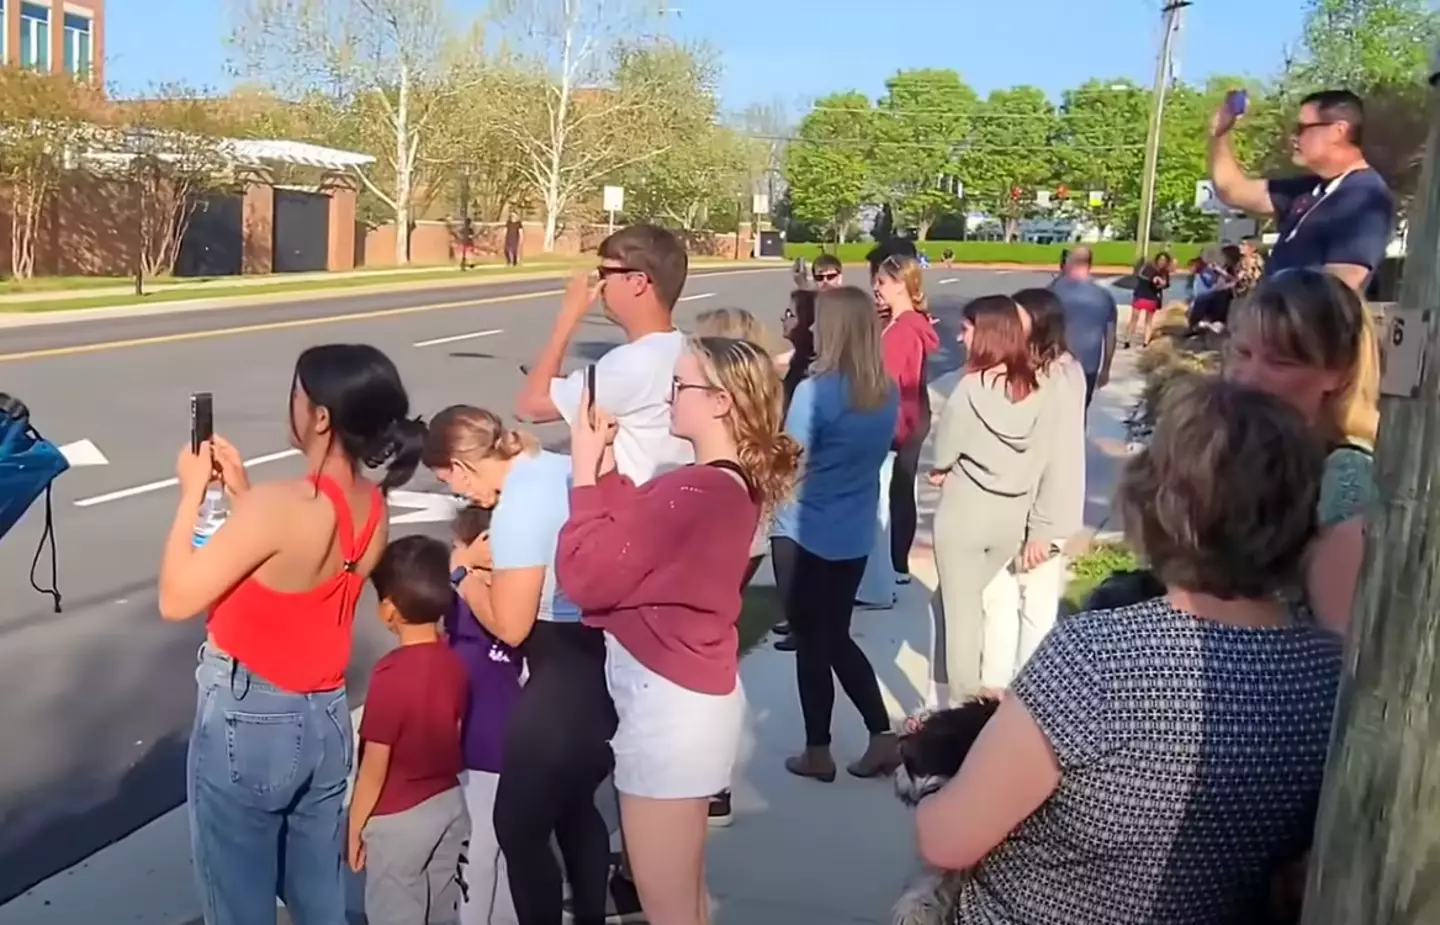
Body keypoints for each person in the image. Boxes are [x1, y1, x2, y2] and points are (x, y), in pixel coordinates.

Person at [913, 378, 1342, 925]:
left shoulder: (1098, 658)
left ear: (1157, 503)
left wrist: (937, 778)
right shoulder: (1329, 675)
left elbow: (948, 839)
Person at [158, 344, 423, 925]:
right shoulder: (372, 506)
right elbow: (296, 571)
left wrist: (188, 494)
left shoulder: (283, 507)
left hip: (251, 717)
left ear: (321, 416)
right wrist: (243, 495)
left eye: (297, 395)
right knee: (317, 899)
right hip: (323, 721)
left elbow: (176, 597)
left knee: (239, 901)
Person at [556, 336, 801, 925]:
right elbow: (635, 533)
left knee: (666, 906)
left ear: (720, 401)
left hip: (667, 714)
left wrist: (585, 470)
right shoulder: (718, 484)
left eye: (680, 386)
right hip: (687, 704)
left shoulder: (696, 489)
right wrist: (608, 468)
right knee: (685, 899)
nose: (670, 398)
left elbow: (585, 575)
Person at [422, 407, 620, 925]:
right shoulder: (553, 467)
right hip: (598, 652)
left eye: (452, 483)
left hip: (558, 663)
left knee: (518, 825)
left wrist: (463, 574)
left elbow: (511, 625)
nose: (463, 497)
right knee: (577, 806)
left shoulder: (517, 508)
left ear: (462, 466)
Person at [770, 286, 901, 781]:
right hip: (853, 531)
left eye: (821, 321)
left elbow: (790, 459)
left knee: (812, 641)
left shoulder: (815, 391)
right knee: (834, 636)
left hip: (802, 528)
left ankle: (818, 749)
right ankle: (878, 735)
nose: (813, 328)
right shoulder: (884, 389)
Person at [1224, 268, 1380, 635]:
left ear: (1339, 373)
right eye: (1243, 353)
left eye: (1280, 362)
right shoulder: (1249, 453)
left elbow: (1343, 652)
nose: (1248, 376)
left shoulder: (1344, 476)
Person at [928, 296, 1046, 704]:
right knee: (960, 600)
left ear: (987, 334)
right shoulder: (1035, 389)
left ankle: (961, 710)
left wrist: (944, 469)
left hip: (966, 514)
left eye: (966, 329)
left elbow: (944, 452)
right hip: (1009, 519)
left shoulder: (970, 389)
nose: (960, 337)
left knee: (960, 617)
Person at [349, 536, 471, 925]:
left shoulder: (389, 676)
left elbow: (374, 766)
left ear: (389, 609)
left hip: (398, 817)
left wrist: (355, 826)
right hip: (448, 802)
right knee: (441, 908)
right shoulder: (454, 661)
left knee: (396, 910)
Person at [517, 224, 693, 484]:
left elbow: (530, 407)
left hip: (633, 510)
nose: (600, 286)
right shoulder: (686, 349)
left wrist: (568, 318)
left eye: (605, 273)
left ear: (637, 282)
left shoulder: (630, 362)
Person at [977, 289, 1086, 690]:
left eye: (1018, 317)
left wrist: (1040, 528)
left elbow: (1054, 454)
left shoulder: (1055, 377)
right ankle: (1011, 693)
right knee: (1014, 605)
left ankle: (1022, 697)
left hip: (1041, 515)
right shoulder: (1061, 369)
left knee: (1029, 608)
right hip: (1040, 512)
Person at [1209, 88, 1395, 292]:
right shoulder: (1309, 188)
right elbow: (1231, 190)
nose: (1293, 138)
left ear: (1338, 131)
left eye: (1301, 128)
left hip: (1305, 324)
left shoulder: (1365, 197)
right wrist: (1220, 134)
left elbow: (1339, 290)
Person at [446, 505, 522, 925]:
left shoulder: (464, 608)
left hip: (477, 750)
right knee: (509, 853)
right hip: (517, 747)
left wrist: (462, 571)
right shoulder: (521, 602)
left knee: (476, 854)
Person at [875, 254, 940, 584]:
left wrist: (896, 428)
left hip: (901, 420)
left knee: (895, 492)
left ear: (901, 285)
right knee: (901, 489)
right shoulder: (909, 323)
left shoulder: (903, 330)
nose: (877, 288)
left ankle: (895, 563)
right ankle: (897, 562)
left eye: (882, 282)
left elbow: (898, 383)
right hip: (912, 418)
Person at [1049, 246, 1117, 410]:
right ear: (1090, 264)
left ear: (1068, 262)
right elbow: (1110, 336)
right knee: (1079, 412)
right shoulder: (1104, 296)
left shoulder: (1052, 292)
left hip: (1055, 363)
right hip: (1088, 366)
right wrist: (1106, 368)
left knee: (1054, 413)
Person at [1123, 252, 1172, 349]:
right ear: (1157, 259)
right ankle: (1127, 340)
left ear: (1166, 262)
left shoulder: (1164, 272)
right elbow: (1141, 276)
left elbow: (1166, 284)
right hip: (1140, 294)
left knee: (1149, 321)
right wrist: (1153, 279)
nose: (1162, 262)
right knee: (1134, 318)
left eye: (1164, 260)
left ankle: (1146, 342)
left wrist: (1162, 283)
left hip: (1152, 297)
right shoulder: (1149, 268)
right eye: (1160, 259)